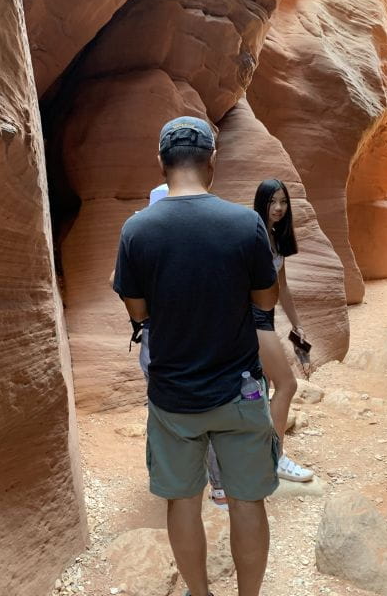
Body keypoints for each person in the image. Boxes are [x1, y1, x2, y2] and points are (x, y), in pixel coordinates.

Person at [113, 116, 280, 596]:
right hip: (240, 391)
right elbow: (264, 302)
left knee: (183, 500)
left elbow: (138, 309)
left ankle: (200, 594)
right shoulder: (243, 223)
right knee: (248, 501)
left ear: (161, 162)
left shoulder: (137, 230)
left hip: (173, 397)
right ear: (212, 160)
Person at [250, 179, 316, 482]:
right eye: (272, 201)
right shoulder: (254, 236)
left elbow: (284, 288)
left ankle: (257, 453)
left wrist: (299, 332)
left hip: (266, 319)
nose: (278, 208)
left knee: (259, 390)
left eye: (283, 202)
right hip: (252, 320)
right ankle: (274, 458)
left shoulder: (275, 237)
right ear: (261, 202)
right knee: (286, 385)